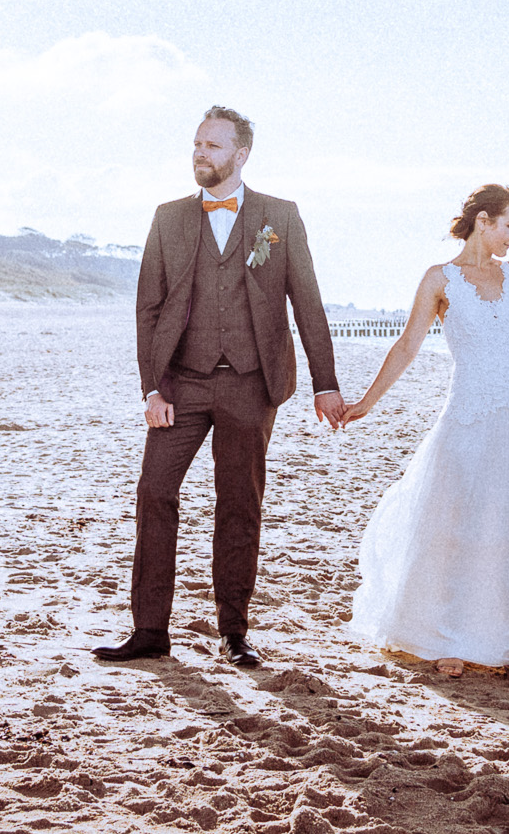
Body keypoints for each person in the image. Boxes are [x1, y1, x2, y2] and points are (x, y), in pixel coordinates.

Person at [91, 105, 343, 670]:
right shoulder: (168, 218)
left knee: (239, 506)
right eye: (197, 144)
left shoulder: (280, 216)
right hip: (181, 383)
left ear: (240, 154)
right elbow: (148, 308)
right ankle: (150, 630)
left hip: (252, 387)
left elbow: (307, 301)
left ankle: (234, 633)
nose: (200, 153)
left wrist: (326, 383)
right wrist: (151, 389)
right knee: (155, 493)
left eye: (213, 145)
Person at [342, 184, 509, 684]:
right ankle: (447, 637)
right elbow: (407, 345)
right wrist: (366, 403)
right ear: (483, 221)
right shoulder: (439, 279)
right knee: (457, 521)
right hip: (469, 413)